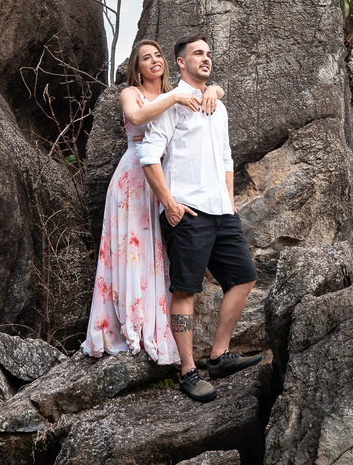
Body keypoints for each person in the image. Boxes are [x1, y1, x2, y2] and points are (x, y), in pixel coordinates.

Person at [82, 39, 224, 365]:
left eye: (158, 55)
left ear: (167, 61)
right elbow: (137, 114)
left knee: (160, 254)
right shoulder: (131, 93)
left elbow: (210, 91)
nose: (154, 61)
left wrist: (215, 91)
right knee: (133, 250)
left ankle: (156, 325)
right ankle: (129, 324)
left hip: (164, 180)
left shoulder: (180, 92)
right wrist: (172, 96)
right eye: (146, 58)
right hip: (133, 179)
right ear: (138, 66)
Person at [137, 33, 261, 402]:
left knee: (244, 278)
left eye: (208, 54)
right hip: (187, 210)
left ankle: (219, 355)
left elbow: (226, 157)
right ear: (180, 63)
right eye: (197, 54)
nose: (206, 59)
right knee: (185, 290)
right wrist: (169, 204)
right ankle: (188, 370)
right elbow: (148, 156)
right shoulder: (168, 104)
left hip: (221, 210)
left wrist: (230, 197)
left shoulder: (218, 106)